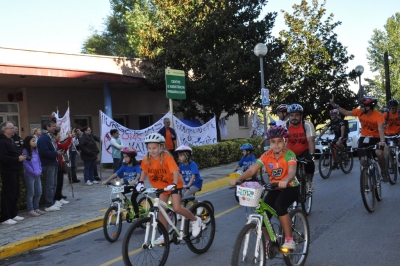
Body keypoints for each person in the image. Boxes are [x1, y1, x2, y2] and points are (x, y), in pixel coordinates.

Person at [229, 125, 299, 250]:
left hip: (290, 186)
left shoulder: (289, 154)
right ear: (269, 142)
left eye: (279, 141)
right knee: (262, 214)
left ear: (285, 141)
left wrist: (285, 180)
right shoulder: (266, 155)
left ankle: (289, 239)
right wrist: (238, 179)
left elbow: (292, 171)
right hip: (274, 188)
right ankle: (271, 241)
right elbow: (252, 170)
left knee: (280, 206)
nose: (276, 145)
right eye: (273, 142)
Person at [136, 133, 201, 244]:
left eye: (154, 148)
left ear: (161, 147)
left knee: (176, 208)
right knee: (161, 210)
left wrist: (174, 184)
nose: (152, 151)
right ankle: (165, 235)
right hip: (162, 187)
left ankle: (195, 221)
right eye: (149, 148)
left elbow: (175, 171)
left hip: (174, 184)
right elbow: (144, 171)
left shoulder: (166, 158)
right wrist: (141, 182)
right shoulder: (147, 158)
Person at [330, 95, 388, 181]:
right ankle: (365, 185)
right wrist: (334, 105)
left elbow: (380, 129)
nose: (360, 108)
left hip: (376, 138)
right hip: (364, 138)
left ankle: (383, 172)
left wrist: (382, 141)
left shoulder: (378, 116)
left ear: (368, 107)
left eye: (362, 106)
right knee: (363, 160)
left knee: (379, 153)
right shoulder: (359, 112)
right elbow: (346, 112)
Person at [102, 147, 141, 219]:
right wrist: (106, 181)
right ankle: (128, 207)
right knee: (120, 192)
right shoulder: (124, 166)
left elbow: (139, 174)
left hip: (136, 186)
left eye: (126, 157)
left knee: (133, 199)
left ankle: (137, 216)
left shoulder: (136, 166)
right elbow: (115, 174)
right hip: (128, 185)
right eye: (124, 157)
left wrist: (135, 180)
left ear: (131, 157)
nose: (125, 159)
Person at [0, 121, 27, 225]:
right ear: (5, 130)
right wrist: (17, 159)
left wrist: (22, 156)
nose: (13, 129)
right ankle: (5, 217)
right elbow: (3, 158)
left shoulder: (10, 140)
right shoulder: (2, 142)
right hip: (8, 171)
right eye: (11, 128)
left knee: (15, 192)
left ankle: (13, 213)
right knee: (8, 193)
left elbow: (16, 152)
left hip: (15, 170)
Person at [286, 103, 316, 192]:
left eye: (297, 115)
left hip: (304, 150)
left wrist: (311, 154)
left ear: (301, 116)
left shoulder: (307, 125)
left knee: (309, 163)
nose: (294, 117)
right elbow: (281, 141)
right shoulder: (285, 126)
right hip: (290, 152)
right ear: (288, 116)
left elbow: (311, 140)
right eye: (291, 115)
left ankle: (309, 182)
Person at [37, 120, 65, 212]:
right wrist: (56, 153)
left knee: (54, 184)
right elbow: (44, 152)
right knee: (49, 185)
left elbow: (53, 148)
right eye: (52, 126)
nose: (54, 128)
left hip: (54, 162)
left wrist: (59, 151)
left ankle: (52, 201)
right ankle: (48, 204)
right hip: (48, 164)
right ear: (47, 127)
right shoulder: (43, 139)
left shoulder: (50, 137)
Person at [22, 135, 45, 217]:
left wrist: (40, 170)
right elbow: (25, 164)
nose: (34, 142)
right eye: (33, 141)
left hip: (37, 174)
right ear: (28, 142)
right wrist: (33, 172)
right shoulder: (25, 151)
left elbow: (39, 162)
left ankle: (36, 207)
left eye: (35, 141)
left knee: (39, 191)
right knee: (31, 192)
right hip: (30, 175)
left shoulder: (35, 151)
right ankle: (30, 209)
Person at [54, 130, 72, 205]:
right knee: (57, 182)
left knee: (60, 182)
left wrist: (67, 148)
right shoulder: (55, 143)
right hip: (56, 164)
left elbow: (63, 150)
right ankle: (57, 198)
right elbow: (63, 146)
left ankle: (60, 197)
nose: (60, 136)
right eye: (58, 135)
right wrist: (70, 138)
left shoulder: (57, 142)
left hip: (60, 163)